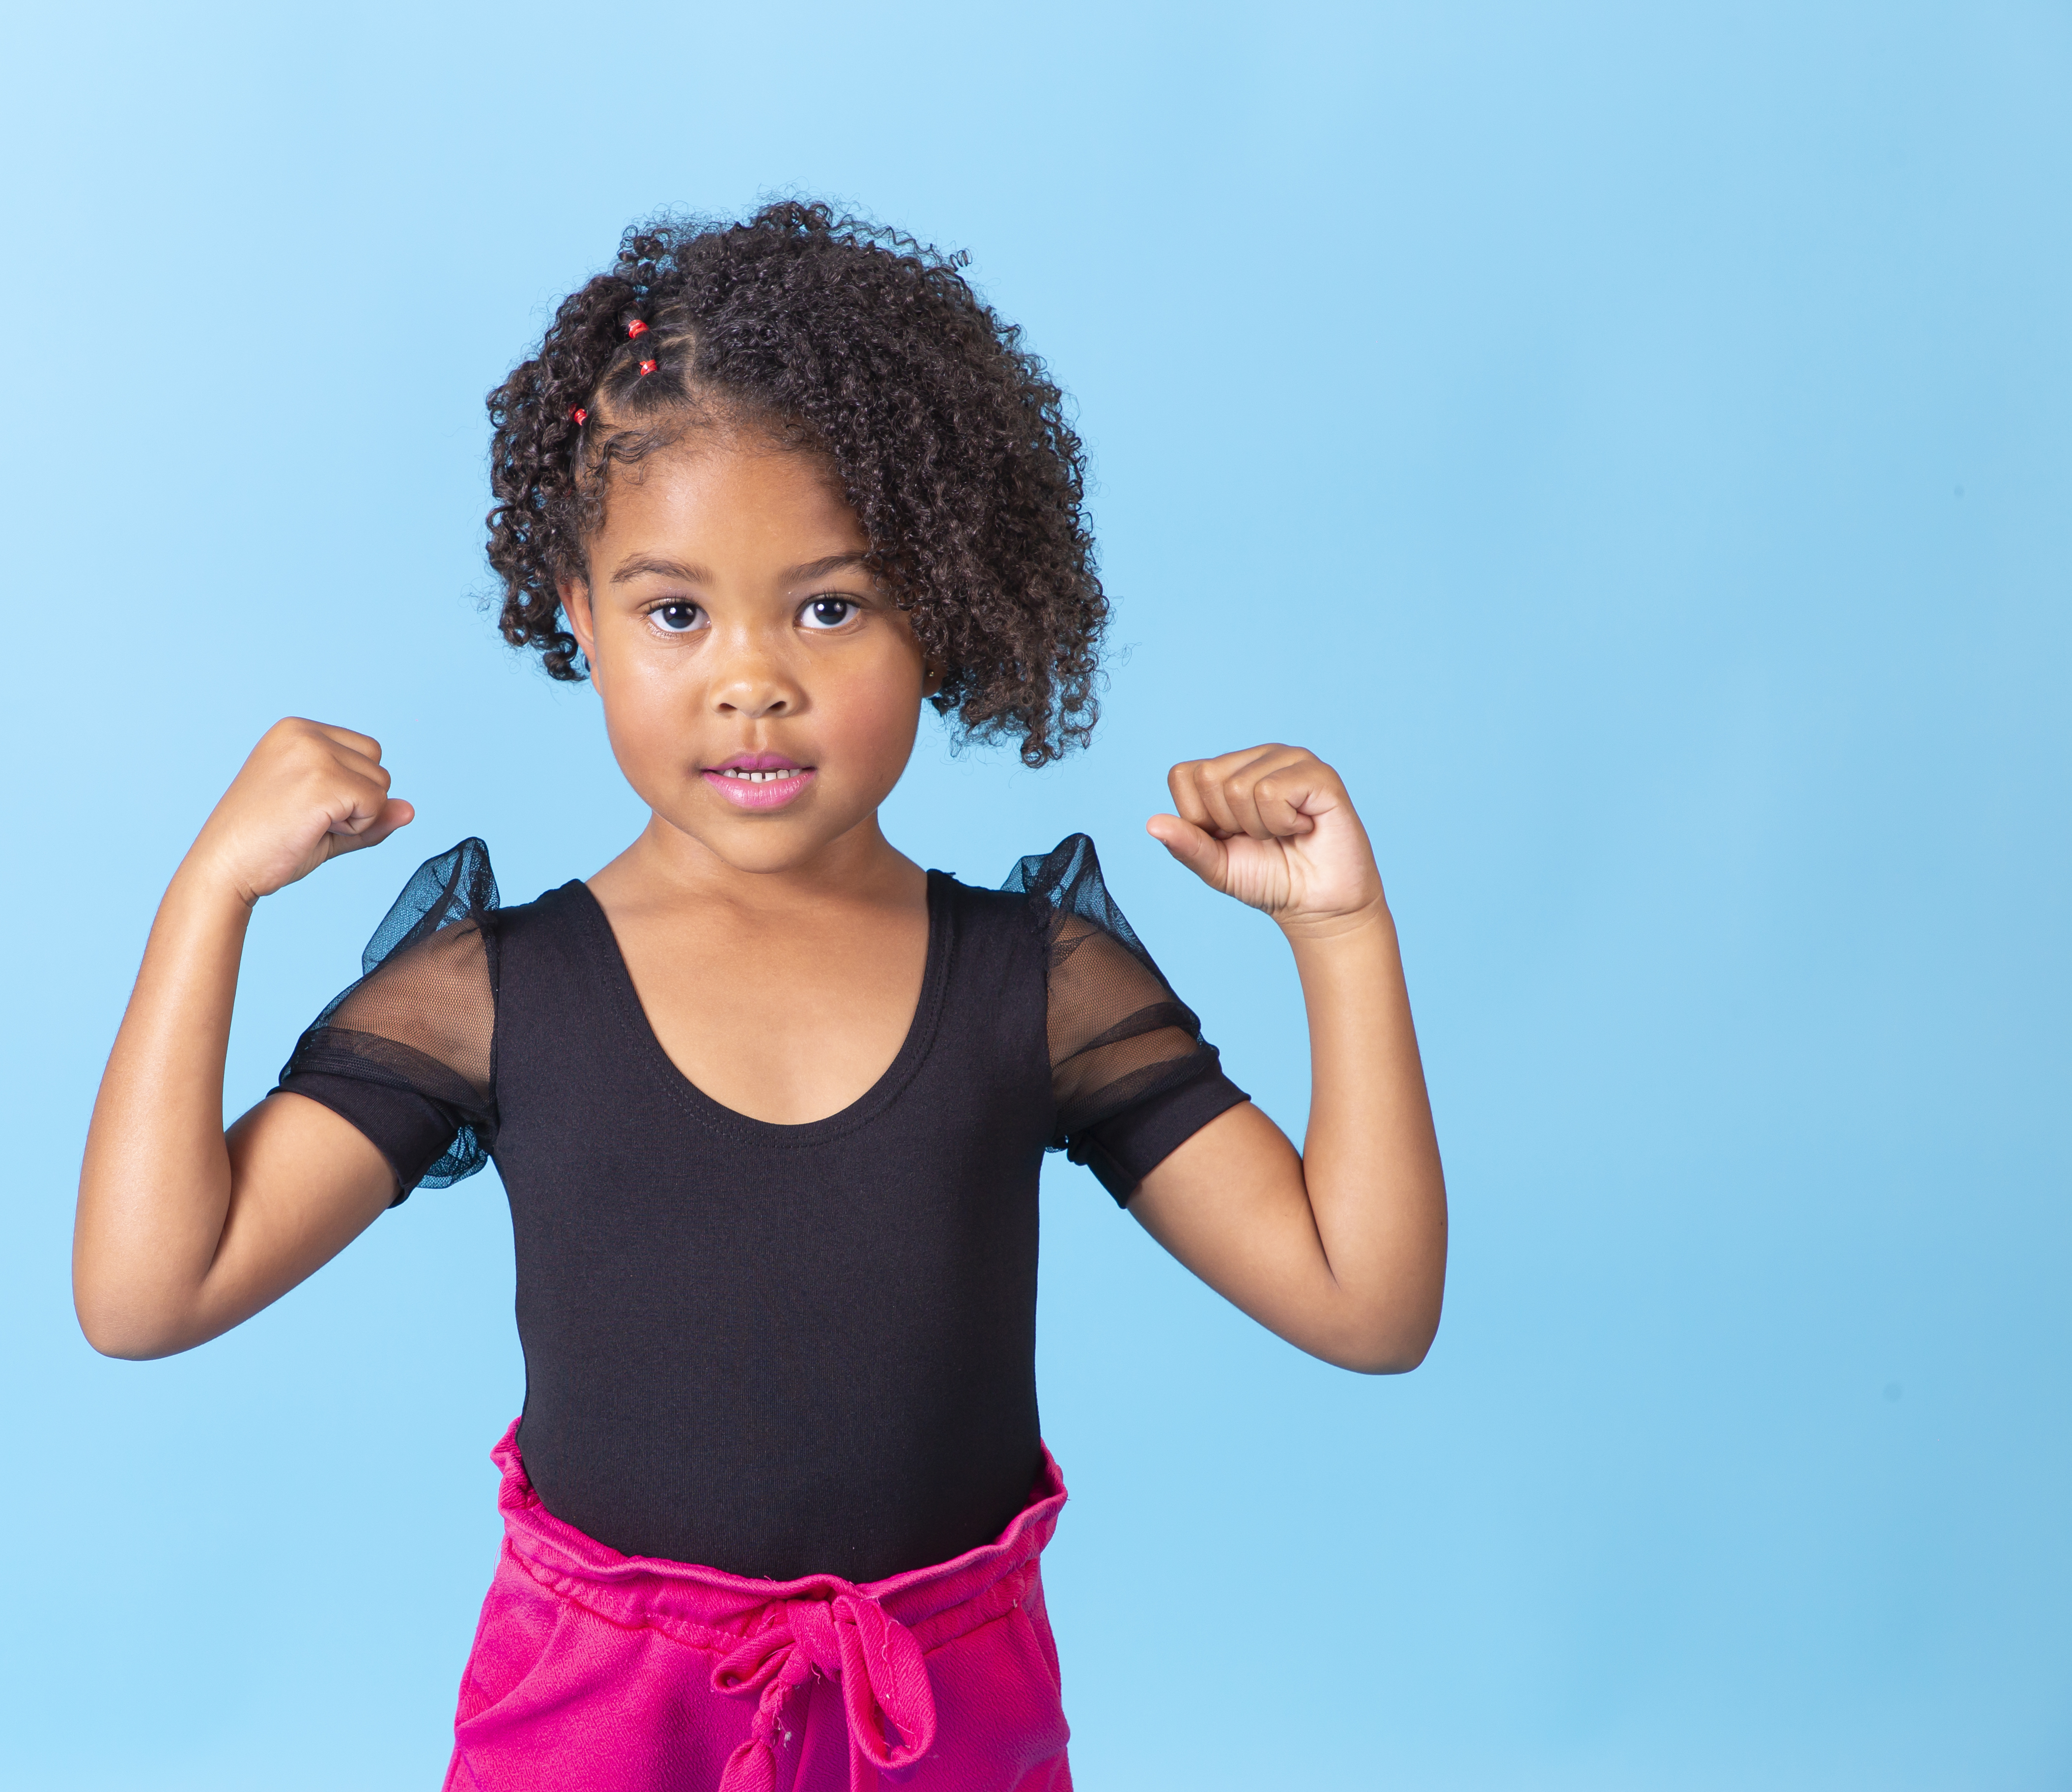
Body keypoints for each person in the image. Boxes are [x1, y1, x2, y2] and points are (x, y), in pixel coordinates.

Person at [73, 201, 1446, 1791]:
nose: (752, 677)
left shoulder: (1037, 984)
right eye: (676, 612)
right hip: (593, 1733)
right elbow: (146, 1294)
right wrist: (210, 898)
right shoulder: (496, 994)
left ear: (943, 608)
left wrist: (1341, 935)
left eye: (830, 606)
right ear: (576, 620)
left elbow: (1368, 1303)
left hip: (944, 1731)